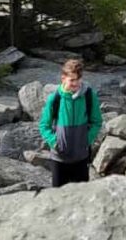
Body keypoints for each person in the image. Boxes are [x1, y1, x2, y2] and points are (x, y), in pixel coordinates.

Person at [39, 58, 103, 187]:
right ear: (63, 78)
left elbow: (97, 122)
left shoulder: (89, 96)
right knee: (58, 198)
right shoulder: (55, 98)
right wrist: (55, 142)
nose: (76, 83)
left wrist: (87, 140)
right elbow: (44, 125)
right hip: (59, 158)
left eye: (78, 79)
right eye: (72, 80)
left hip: (81, 158)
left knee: (81, 198)